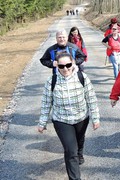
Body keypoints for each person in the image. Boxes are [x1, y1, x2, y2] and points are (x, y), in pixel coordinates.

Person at [38, 52, 100, 180]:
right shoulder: (51, 81)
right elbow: (46, 103)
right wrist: (42, 122)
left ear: (73, 64)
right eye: (61, 66)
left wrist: (95, 118)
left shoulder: (82, 77)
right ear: (57, 66)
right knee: (70, 151)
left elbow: (91, 98)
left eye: (68, 65)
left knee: (79, 140)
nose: (65, 68)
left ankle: (79, 153)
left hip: (81, 118)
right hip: (62, 120)